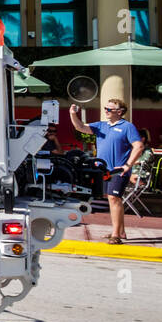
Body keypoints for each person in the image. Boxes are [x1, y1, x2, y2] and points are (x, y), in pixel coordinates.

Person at [68, 99, 144, 243]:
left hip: (118, 170)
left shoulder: (127, 127)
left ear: (119, 112)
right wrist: (72, 114)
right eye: (105, 108)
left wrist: (127, 166)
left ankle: (116, 235)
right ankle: (120, 232)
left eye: (109, 109)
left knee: (114, 198)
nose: (106, 111)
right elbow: (80, 127)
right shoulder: (102, 126)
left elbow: (138, 146)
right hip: (103, 169)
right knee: (112, 199)